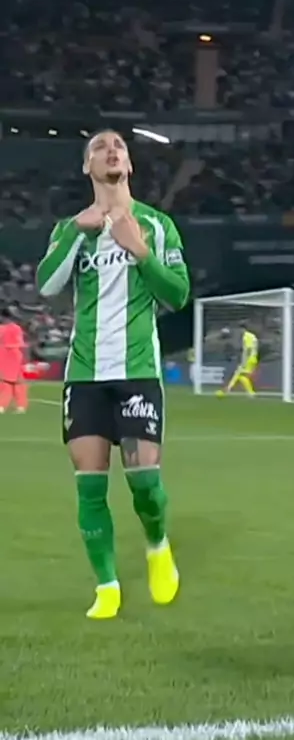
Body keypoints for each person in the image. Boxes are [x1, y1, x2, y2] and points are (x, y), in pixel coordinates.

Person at [36, 130, 190, 620]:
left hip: (138, 370)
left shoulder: (157, 225)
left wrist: (139, 250)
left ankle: (157, 544)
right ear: (87, 167)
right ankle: (107, 586)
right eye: (100, 147)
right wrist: (78, 232)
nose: (111, 151)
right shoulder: (71, 229)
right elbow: (46, 285)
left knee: (144, 482)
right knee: (90, 485)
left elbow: (178, 295)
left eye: (119, 146)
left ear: (130, 164)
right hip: (85, 375)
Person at [217, 323, 259, 396]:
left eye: (240, 329)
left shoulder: (247, 336)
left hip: (249, 358)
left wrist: (245, 361)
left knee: (237, 372)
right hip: (253, 357)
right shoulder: (252, 336)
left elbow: (249, 349)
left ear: (243, 329)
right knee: (242, 376)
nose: (239, 331)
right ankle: (251, 393)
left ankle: (228, 389)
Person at [0, 320, 28, 413]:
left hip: (6, 355)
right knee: (16, 382)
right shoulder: (15, 328)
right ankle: (20, 406)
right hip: (13, 355)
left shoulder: (4, 329)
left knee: (6, 381)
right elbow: (20, 343)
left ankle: (2, 405)